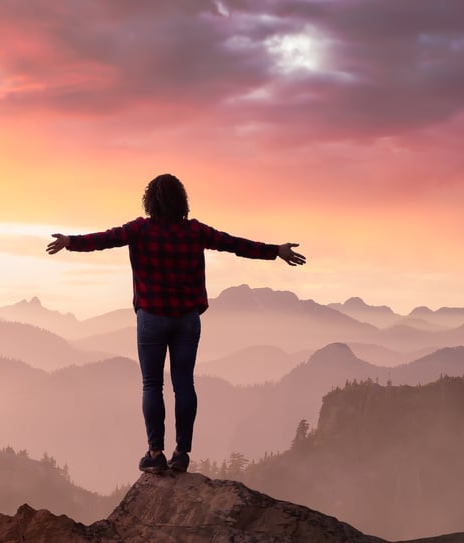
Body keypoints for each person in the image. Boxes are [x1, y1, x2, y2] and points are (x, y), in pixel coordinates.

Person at [46, 173, 306, 475]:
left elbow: (105, 239)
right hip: (186, 320)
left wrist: (69, 243)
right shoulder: (195, 232)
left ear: (150, 201)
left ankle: (155, 453)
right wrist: (276, 250)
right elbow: (235, 244)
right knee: (184, 384)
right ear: (182, 201)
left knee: (152, 384)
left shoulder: (139, 230)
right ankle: (181, 453)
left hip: (152, 319)